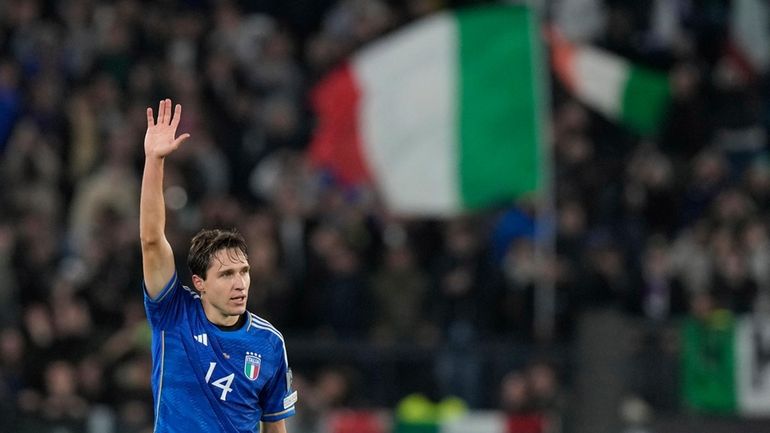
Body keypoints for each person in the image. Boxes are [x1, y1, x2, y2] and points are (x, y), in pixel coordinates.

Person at [140, 99, 297, 432]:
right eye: (226, 274)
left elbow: (275, 428)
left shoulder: (269, 344)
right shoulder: (172, 312)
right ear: (200, 282)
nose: (240, 283)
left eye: (244, 272)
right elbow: (152, 241)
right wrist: (154, 162)